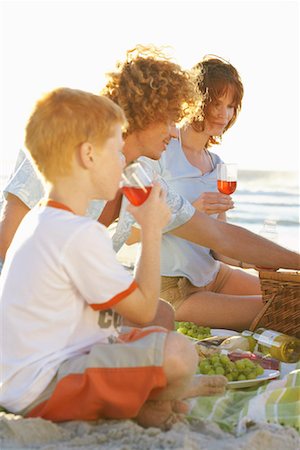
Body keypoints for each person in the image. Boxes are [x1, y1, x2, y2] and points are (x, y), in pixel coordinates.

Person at [0, 87, 227, 429]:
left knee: (153, 331)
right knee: (179, 352)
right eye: (118, 152)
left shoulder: (44, 219)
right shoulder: (78, 232)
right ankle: (153, 398)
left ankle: (144, 404)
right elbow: (143, 308)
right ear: (88, 155)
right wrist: (151, 229)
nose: (124, 163)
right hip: (42, 387)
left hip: (26, 375)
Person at [0, 45, 299, 279]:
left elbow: (221, 236)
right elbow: (7, 243)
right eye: (170, 119)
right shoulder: (62, 146)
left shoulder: (142, 179)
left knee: (161, 318)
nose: (174, 131)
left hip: (70, 304)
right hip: (24, 310)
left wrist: (296, 261)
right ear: (145, 112)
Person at [129, 56, 262, 330]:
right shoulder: (161, 151)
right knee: (271, 312)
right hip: (174, 290)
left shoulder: (218, 167)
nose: (224, 114)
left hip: (215, 275)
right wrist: (191, 211)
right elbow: (129, 234)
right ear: (195, 100)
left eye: (231, 106)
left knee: (288, 297)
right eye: (216, 103)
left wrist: (261, 264)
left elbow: (221, 245)